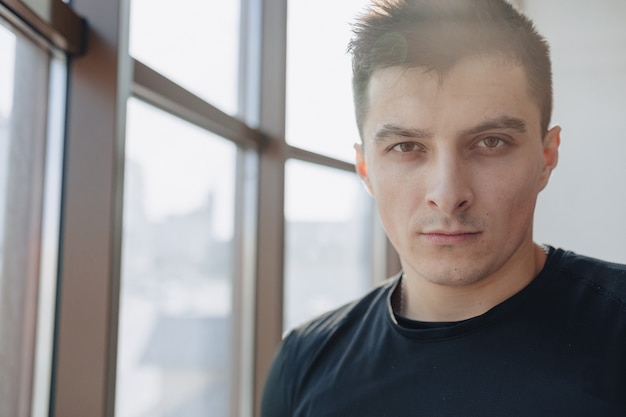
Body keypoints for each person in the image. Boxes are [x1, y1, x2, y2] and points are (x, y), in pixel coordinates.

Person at [261, 0, 626, 415]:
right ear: (365, 169)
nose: (448, 193)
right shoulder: (304, 363)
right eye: (406, 147)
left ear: (546, 157)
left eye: (491, 142)